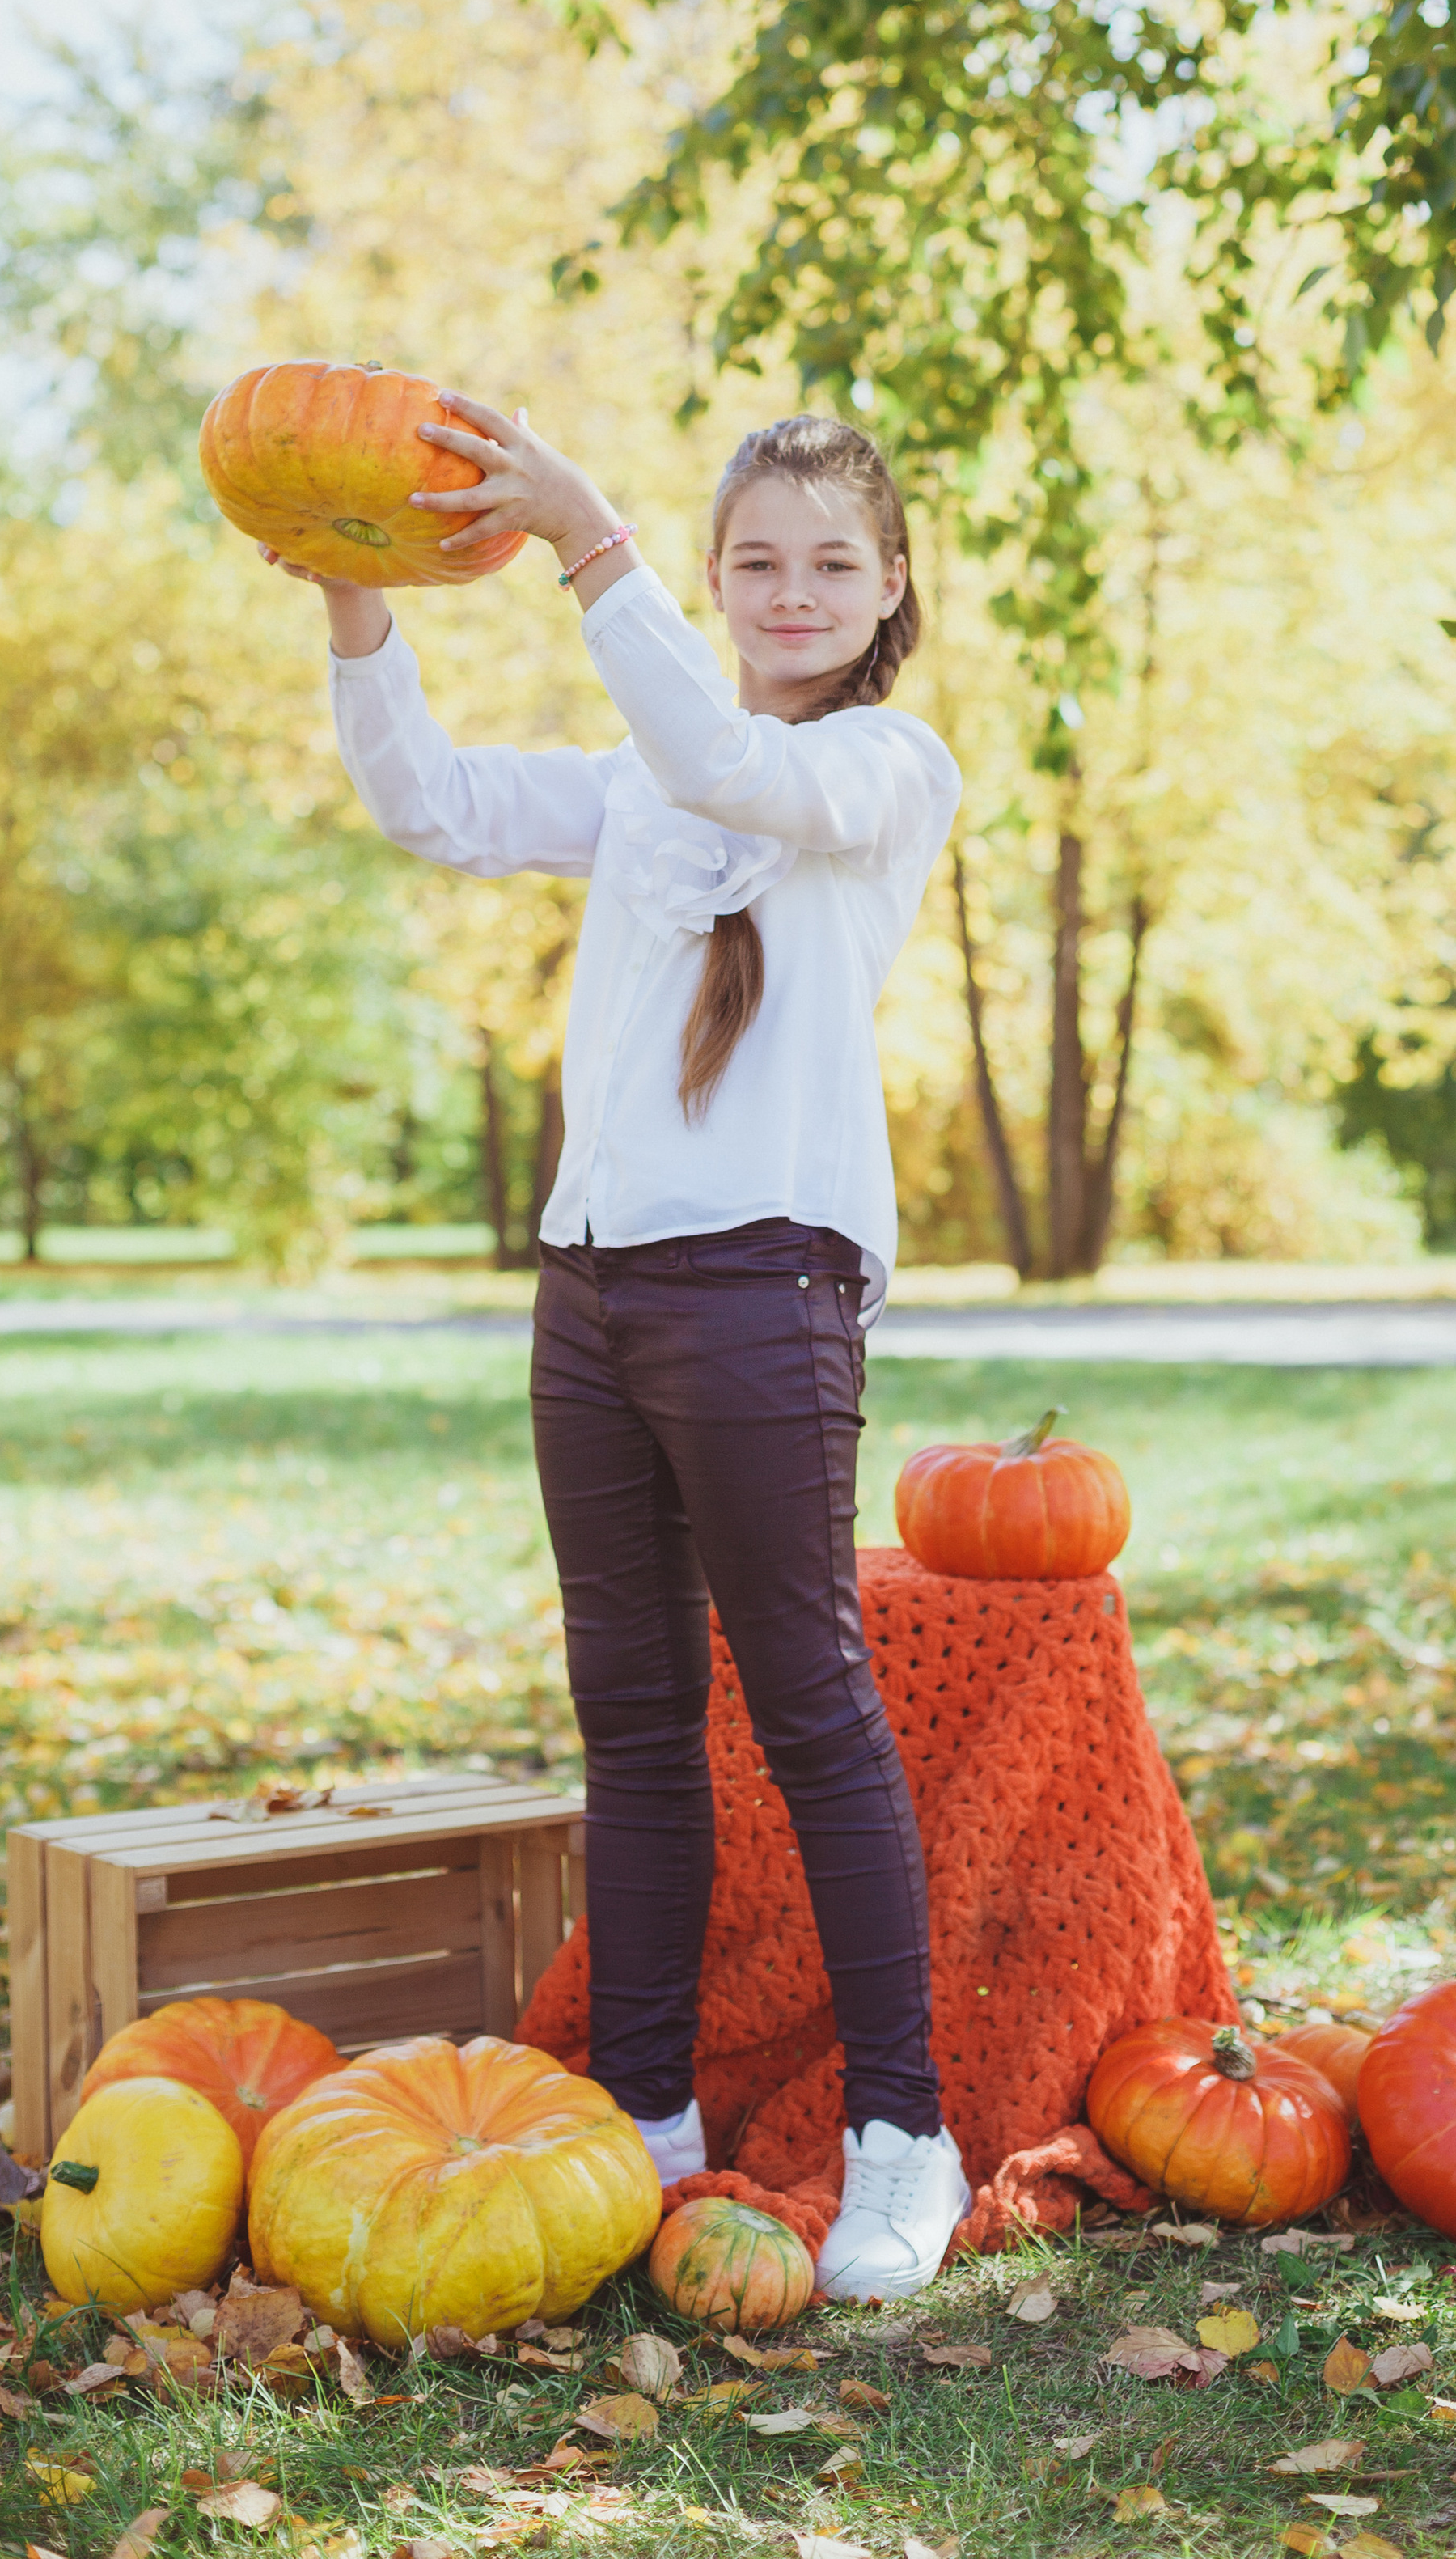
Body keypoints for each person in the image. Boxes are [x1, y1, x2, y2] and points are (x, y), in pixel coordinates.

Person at [262, 395, 969, 2299]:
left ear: (889, 586)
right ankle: (643, 2110)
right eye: (754, 560)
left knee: (810, 1711)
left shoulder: (886, 769)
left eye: (832, 561)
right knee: (635, 1725)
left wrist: (590, 546)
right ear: (721, 582)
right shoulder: (648, 768)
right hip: (590, 1298)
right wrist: (357, 604)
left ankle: (908, 2131)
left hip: (764, 1293)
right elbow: (427, 804)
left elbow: (735, 771)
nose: (791, 589)